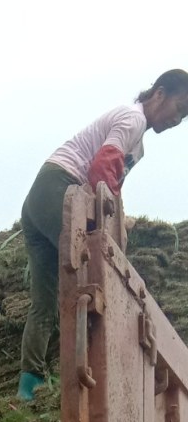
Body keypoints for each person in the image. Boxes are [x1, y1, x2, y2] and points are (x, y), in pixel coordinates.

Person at [18, 69, 188, 400]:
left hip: (38, 200)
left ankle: (28, 386)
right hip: (60, 188)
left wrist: (118, 222)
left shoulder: (138, 145)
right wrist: (113, 227)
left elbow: (111, 188)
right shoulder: (132, 119)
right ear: (159, 94)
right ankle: (89, 369)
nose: (177, 119)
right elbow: (101, 171)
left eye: (184, 117)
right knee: (92, 273)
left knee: (45, 298)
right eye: (179, 107)